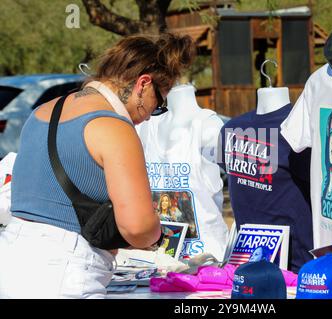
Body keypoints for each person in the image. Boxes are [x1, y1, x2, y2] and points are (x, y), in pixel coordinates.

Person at [0, 33, 195, 298]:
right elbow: (137, 228)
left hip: (11, 263)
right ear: (144, 84)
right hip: (63, 272)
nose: (151, 116)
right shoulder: (114, 127)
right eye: (159, 103)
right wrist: (156, 232)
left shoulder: (41, 112)